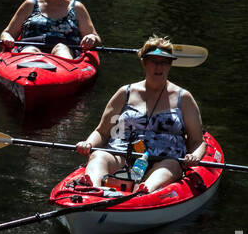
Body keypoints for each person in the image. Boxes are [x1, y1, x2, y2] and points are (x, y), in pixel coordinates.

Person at [74, 36, 206, 192]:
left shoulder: (183, 98)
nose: (159, 67)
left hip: (164, 160)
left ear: (170, 65)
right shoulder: (125, 93)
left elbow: (197, 140)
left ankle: (142, 193)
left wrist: (194, 156)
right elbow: (102, 132)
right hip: (122, 155)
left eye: (164, 62)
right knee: (99, 156)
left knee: (169, 166)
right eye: (154, 61)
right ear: (144, 63)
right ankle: (94, 190)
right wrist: (88, 144)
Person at [1, 0, 100, 60]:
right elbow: (8, 32)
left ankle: (62, 73)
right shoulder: (30, 4)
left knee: (61, 49)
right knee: (30, 50)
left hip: (66, 51)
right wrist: (7, 38)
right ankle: (27, 70)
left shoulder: (77, 7)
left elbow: (96, 38)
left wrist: (92, 38)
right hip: (29, 48)